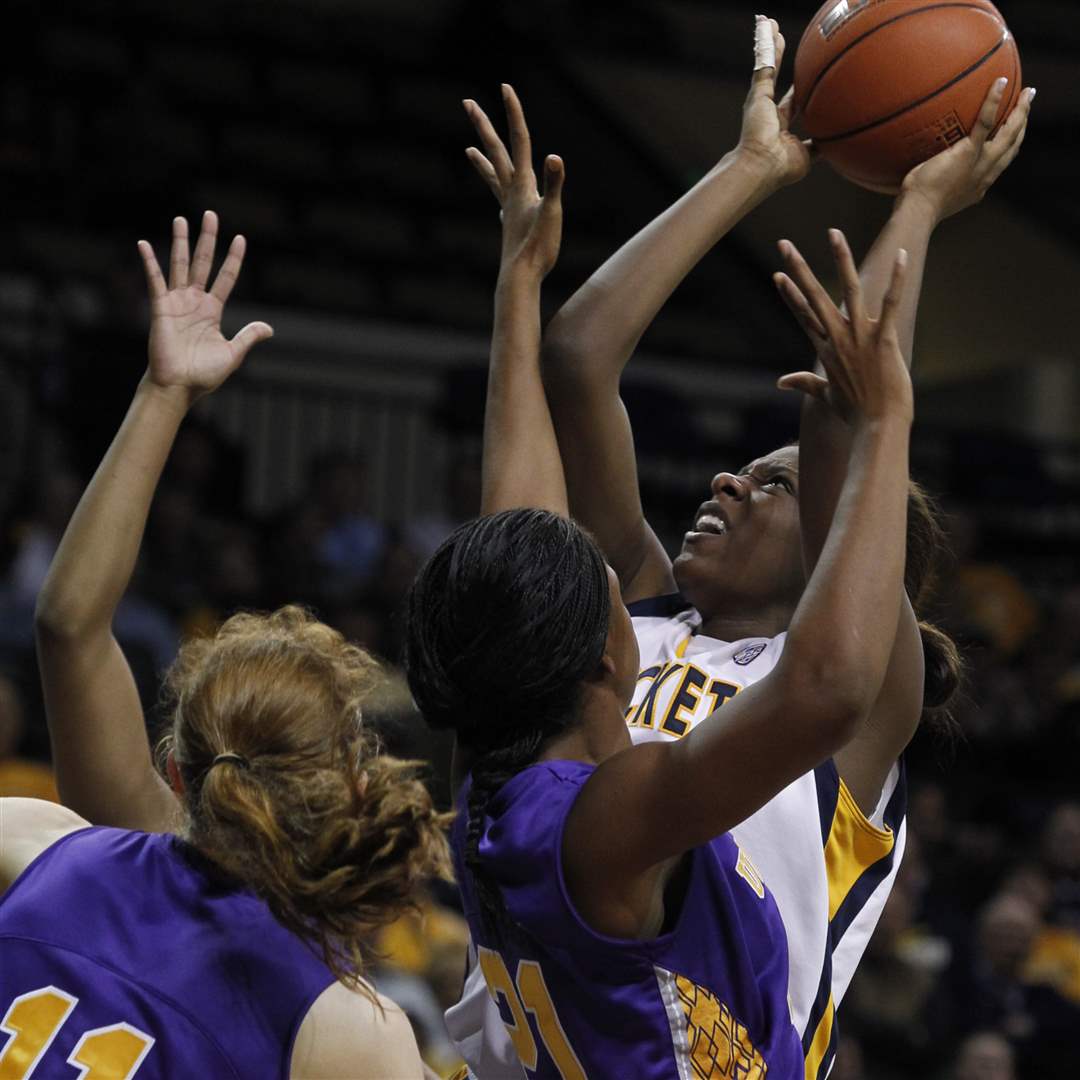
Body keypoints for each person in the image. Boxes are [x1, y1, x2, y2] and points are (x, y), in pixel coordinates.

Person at [445, 18, 1032, 1079]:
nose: (725, 482)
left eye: (769, 487)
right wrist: (753, 168)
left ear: (840, 555)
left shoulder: (865, 696)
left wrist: (915, 205)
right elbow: (578, 360)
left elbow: (847, 440)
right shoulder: (615, 621)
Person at [4, 212, 449, 1079]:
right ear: (352, 782)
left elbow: (66, 625)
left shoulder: (44, 845)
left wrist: (161, 395)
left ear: (178, 769)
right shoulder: (347, 1026)